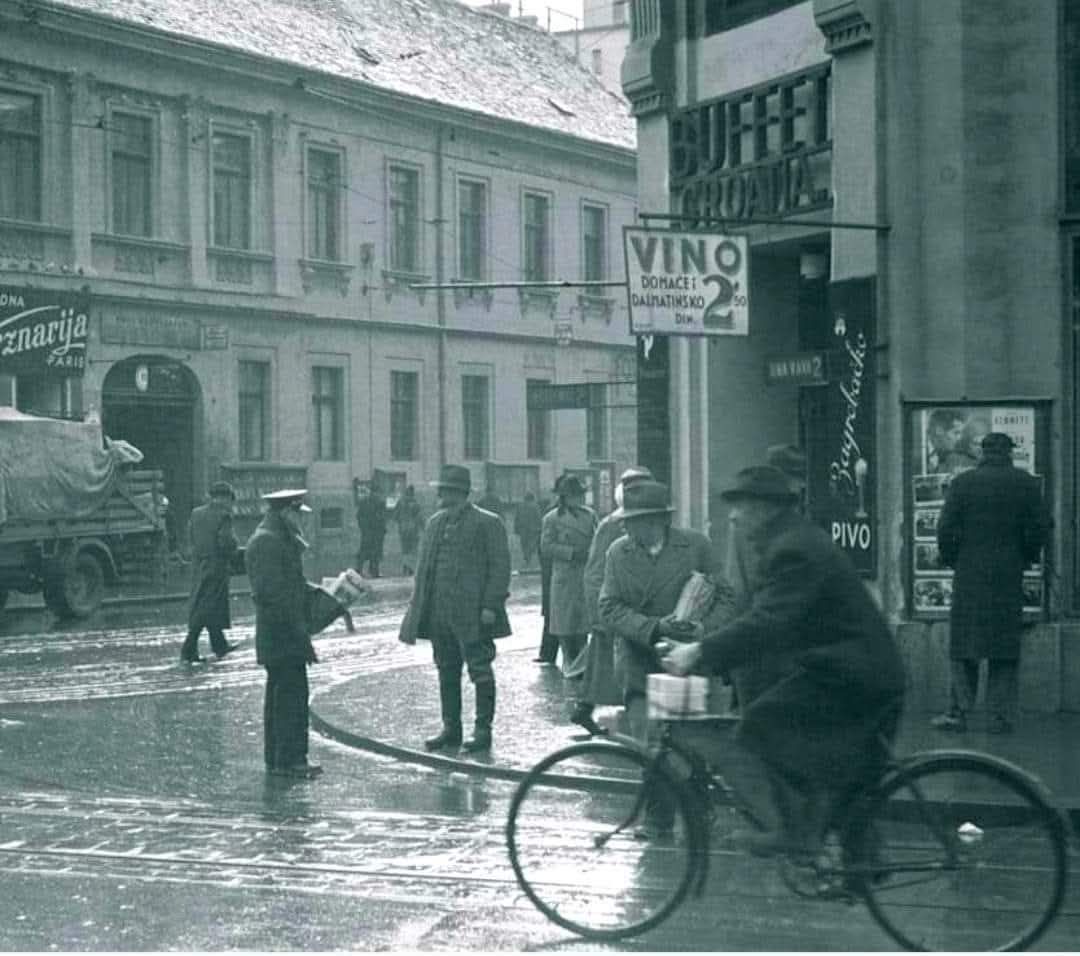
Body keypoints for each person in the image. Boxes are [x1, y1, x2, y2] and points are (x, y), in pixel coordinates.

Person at [663, 466, 906, 858]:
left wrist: (701, 651)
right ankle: (857, 861)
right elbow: (775, 621)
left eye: (740, 505)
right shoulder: (792, 540)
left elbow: (770, 621)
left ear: (763, 508)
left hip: (852, 674)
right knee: (843, 770)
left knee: (762, 724)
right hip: (856, 670)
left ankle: (789, 832)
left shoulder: (792, 549)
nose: (734, 515)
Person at [932, 432, 1051, 735]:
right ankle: (999, 717)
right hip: (1008, 575)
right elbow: (1039, 529)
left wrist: (953, 558)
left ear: (982, 452)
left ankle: (958, 712)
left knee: (964, 646)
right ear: (1009, 453)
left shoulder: (963, 483)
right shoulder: (1025, 484)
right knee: (1003, 647)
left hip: (969, 573)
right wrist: (1025, 557)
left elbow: (944, 528)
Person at [598, 479, 733, 742]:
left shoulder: (697, 546)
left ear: (656, 520)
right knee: (650, 749)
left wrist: (704, 629)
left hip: (690, 666)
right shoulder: (617, 552)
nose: (623, 525)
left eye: (631, 520)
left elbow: (727, 597)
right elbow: (608, 607)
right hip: (639, 666)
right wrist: (656, 627)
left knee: (690, 750)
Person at [399, 464, 512, 754]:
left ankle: (482, 730)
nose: (441, 496)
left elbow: (500, 569)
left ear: (460, 493)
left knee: (480, 671)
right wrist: (418, 609)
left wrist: (490, 605)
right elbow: (425, 570)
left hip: (474, 614)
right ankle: (451, 729)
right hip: (439, 614)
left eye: (446, 491)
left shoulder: (488, 523)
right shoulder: (435, 523)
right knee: (446, 671)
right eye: (442, 491)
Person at [245, 488, 323, 779]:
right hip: (282, 634)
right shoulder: (268, 542)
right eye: (296, 514)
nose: (300, 521)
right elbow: (274, 595)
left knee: (282, 697)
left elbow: (291, 584)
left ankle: (280, 759)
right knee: (290, 699)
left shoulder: (277, 538)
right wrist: (300, 632)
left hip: (282, 634)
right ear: (285, 512)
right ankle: (290, 760)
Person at [572, 465, 654, 736]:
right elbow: (594, 571)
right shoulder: (611, 524)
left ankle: (585, 709)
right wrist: (598, 614)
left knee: (604, 665)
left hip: (632, 606)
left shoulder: (646, 522)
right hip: (613, 608)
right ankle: (591, 710)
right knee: (610, 664)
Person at [723, 445, 806, 711]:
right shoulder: (754, 527)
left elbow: (738, 590)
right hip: (762, 645)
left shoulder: (790, 533)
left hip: (771, 647)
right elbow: (741, 591)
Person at [540, 474, 597, 684]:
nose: (578, 499)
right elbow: (546, 547)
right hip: (564, 577)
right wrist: (571, 552)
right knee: (564, 626)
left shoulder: (590, 516)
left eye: (580, 495)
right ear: (564, 497)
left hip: (584, 575)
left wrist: (591, 553)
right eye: (573, 496)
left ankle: (581, 666)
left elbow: (598, 539)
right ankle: (569, 663)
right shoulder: (551, 518)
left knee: (582, 625)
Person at [181, 481, 241, 664]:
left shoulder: (196, 513)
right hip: (216, 568)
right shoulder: (224, 516)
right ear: (225, 498)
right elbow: (226, 542)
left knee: (205, 604)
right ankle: (188, 649)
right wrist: (235, 549)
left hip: (199, 566)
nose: (231, 504)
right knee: (206, 607)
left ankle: (220, 645)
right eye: (231, 500)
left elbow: (190, 537)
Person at [392, 485, 423, 576]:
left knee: (405, 549)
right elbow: (419, 517)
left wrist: (401, 522)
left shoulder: (400, 502)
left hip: (403, 529)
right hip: (413, 530)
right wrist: (423, 527)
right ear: (413, 493)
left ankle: (405, 567)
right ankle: (410, 568)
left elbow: (395, 516)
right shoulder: (415, 504)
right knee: (412, 550)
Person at [514, 491, 543, 571]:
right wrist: (540, 527)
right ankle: (528, 557)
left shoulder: (520, 506)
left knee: (524, 544)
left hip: (523, 529)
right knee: (532, 544)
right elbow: (538, 517)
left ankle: (526, 557)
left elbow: (517, 518)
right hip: (533, 529)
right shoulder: (535, 506)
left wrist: (516, 529)